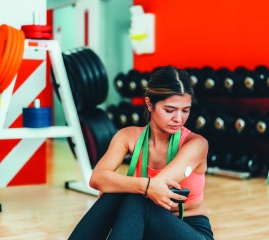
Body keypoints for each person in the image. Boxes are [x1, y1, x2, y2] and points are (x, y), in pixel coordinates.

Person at [68, 65, 214, 240]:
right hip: (146, 228)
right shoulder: (127, 136)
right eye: (169, 110)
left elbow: (158, 189)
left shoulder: (196, 144)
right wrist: (128, 188)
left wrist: (118, 185)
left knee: (133, 198)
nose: (178, 119)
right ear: (149, 104)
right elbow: (97, 178)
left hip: (190, 231)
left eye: (185, 110)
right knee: (121, 196)